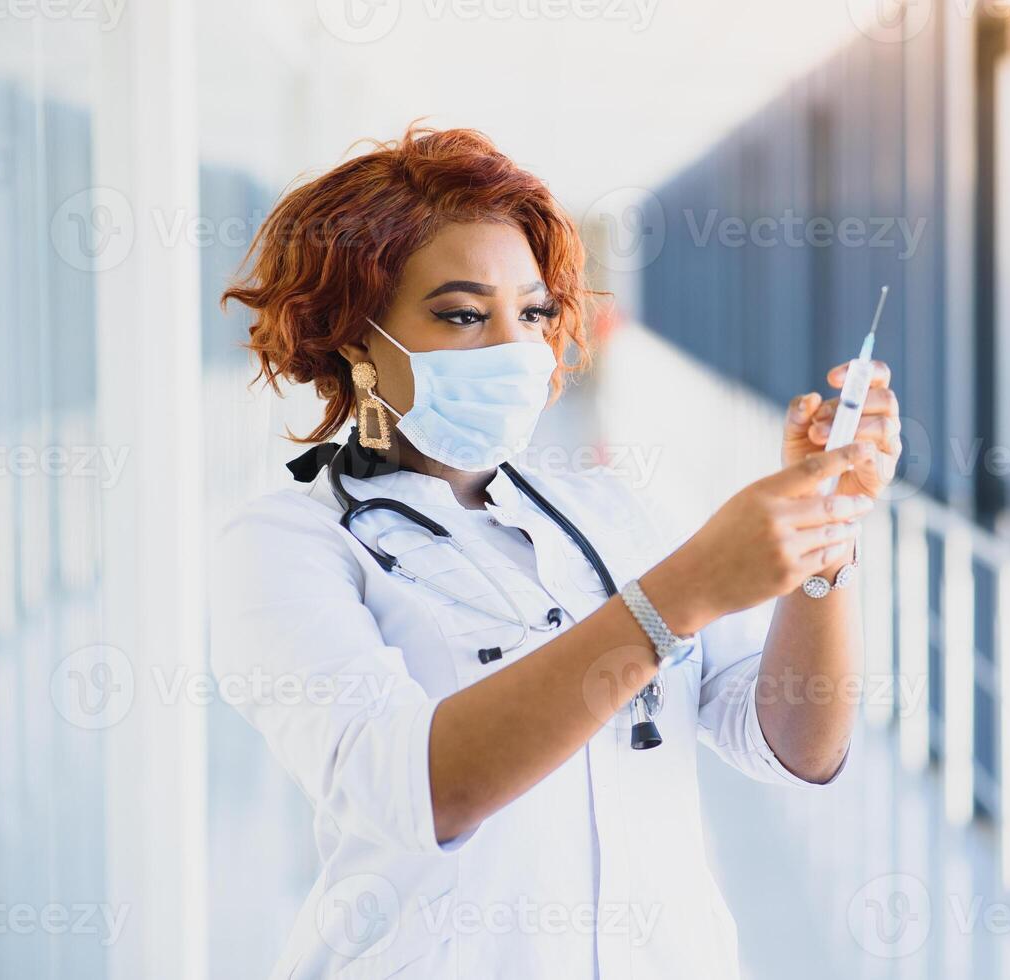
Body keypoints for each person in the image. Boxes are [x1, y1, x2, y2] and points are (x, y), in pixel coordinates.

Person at [209, 125, 903, 979]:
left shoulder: (607, 511)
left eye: (532, 312)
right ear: (356, 342)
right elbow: (419, 789)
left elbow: (794, 747)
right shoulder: (286, 546)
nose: (514, 347)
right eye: (463, 315)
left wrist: (822, 544)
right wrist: (675, 597)